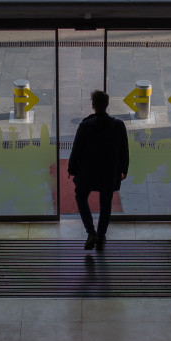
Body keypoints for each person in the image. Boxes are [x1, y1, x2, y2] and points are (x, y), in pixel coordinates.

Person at [67, 90, 129, 251]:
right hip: (108, 173)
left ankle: (90, 232)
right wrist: (124, 169)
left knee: (81, 197)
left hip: (87, 173)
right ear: (107, 105)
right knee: (105, 203)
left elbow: (76, 150)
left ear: (93, 105)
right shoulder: (118, 126)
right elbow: (124, 150)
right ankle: (101, 236)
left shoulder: (85, 125)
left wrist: (72, 169)